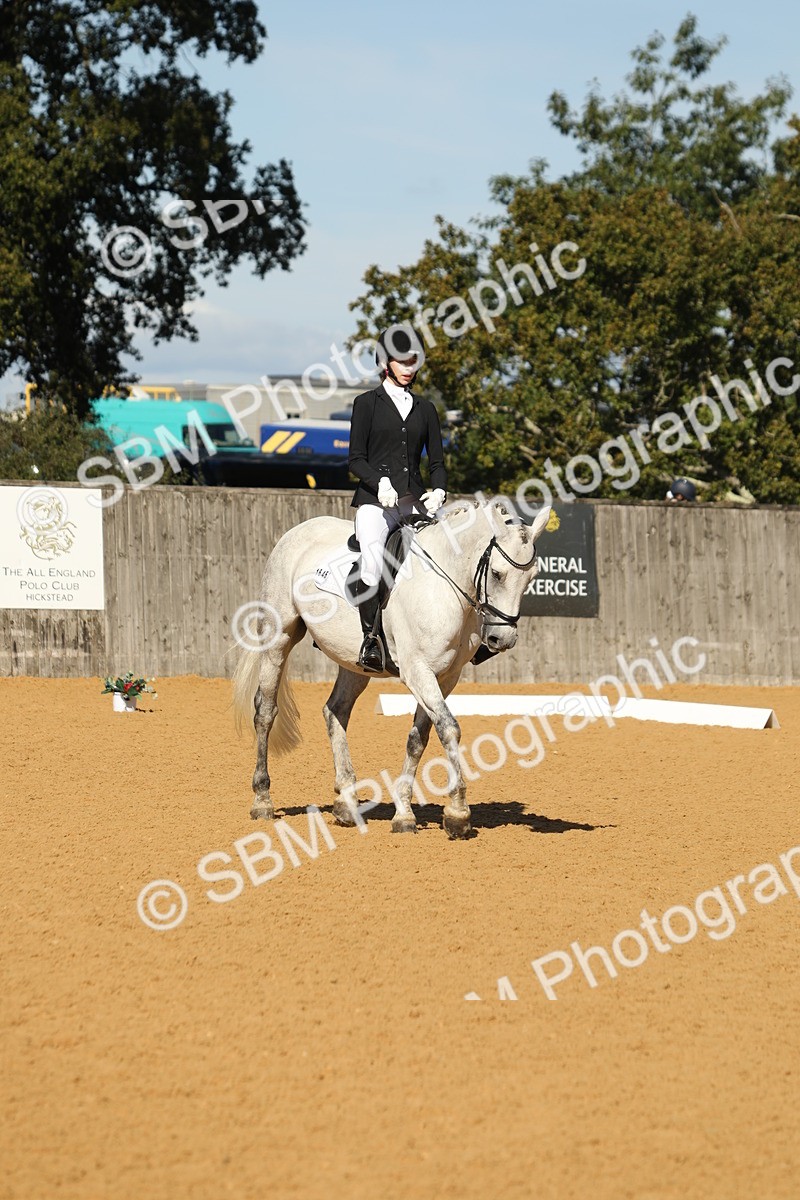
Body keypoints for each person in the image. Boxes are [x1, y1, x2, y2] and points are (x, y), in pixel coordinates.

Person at [348, 326, 448, 671]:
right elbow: (355, 459)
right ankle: (370, 641)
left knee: (452, 555)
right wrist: (380, 483)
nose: (408, 367)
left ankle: (468, 637)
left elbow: (437, 462)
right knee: (374, 568)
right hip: (376, 504)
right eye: (401, 361)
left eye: (413, 361)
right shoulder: (366, 404)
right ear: (384, 363)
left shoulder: (426, 409)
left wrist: (439, 490)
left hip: (414, 503)